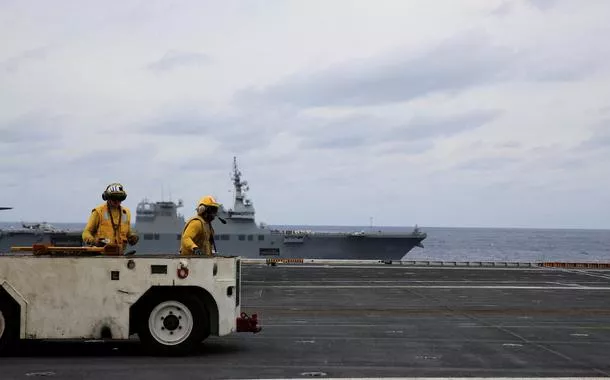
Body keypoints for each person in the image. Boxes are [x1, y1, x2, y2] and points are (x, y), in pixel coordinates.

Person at [82, 182, 139, 251]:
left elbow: (128, 232)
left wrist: (132, 237)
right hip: (100, 255)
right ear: (107, 198)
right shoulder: (98, 212)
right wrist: (94, 241)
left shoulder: (126, 213)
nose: (117, 201)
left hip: (119, 255)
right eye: (114, 198)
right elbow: (86, 232)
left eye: (119, 198)